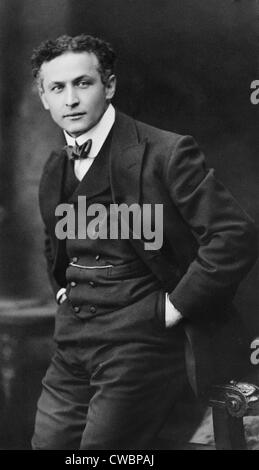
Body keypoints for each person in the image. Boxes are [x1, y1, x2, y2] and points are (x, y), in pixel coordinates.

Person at [30, 34, 257, 450]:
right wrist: (63, 291)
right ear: (44, 98)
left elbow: (234, 234)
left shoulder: (166, 153)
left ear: (110, 86)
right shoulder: (54, 165)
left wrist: (174, 308)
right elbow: (55, 241)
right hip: (71, 348)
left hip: (140, 346)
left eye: (84, 83)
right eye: (57, 88)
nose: (71, 100)